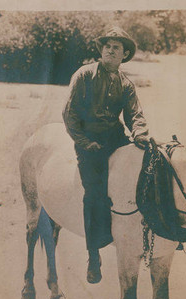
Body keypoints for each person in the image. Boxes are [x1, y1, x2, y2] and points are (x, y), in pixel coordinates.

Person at [62, 27, 150, 284]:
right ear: (101, 51)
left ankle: (142, 238)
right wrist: (84, 142)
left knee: (144, 173)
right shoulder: (84, 75)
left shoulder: (125, 84)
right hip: (89, 141)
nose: (111, 51)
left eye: (117, 48)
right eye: (108, 46)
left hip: (115, 138)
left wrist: (141, 135)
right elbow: (69, 115)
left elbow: (135, 115)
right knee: (95, 193)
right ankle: (93, 254)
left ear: (125, 55)